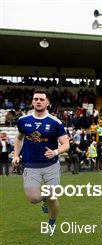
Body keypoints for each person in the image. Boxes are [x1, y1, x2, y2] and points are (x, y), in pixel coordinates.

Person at [12, 89, 69, 234]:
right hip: (30, 165)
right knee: (33, 198)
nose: (38, 101)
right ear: (32, 102)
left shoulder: (55, 122)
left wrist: (55, 152)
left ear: (48, 103)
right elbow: (19, 139)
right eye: (36, 99)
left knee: (53, 198)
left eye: (42, 99)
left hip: (51, 165)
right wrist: (16, 155)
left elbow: (66, 144)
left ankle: (51, 223)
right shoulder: (23, 121)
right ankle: (44, 198)